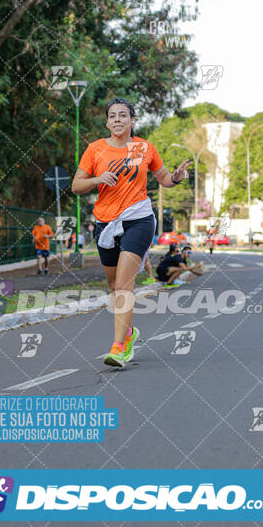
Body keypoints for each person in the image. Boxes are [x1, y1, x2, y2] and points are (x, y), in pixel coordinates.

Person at [72, 97, 192, 367]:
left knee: (125, 285)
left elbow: (163, 178)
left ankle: (118, 348)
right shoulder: (95, 150)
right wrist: (96, 179)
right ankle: (128, 333)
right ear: (107, 122)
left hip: (138, 218)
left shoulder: (143, 148)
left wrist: (177, 177)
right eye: (112, 115)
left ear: (132, 120)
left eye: (123, 115)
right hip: (106, 222)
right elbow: (76, 186)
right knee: (114, 287)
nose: (117, 119)